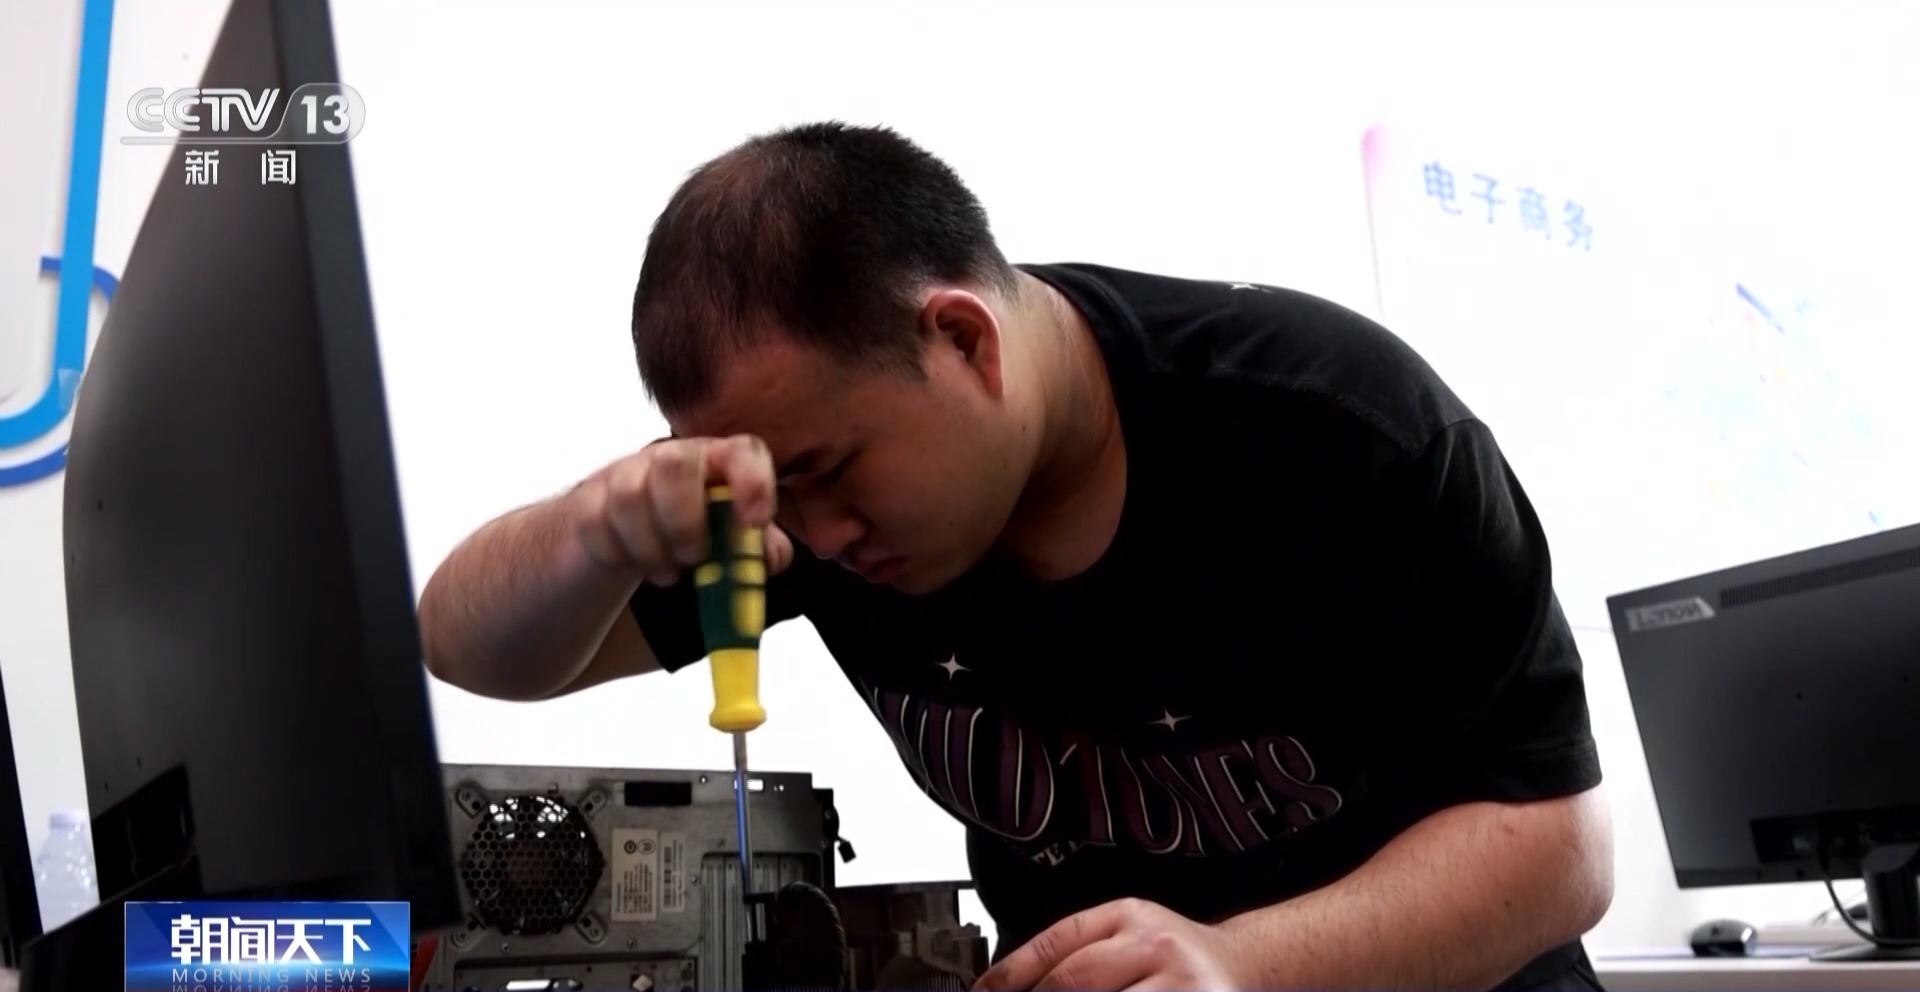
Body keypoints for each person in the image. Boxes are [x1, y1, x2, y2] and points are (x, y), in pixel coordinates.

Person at [418, 121, 1614, 991]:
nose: (815, 538)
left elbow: (1561, 849)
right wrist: (593, 531)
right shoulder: (789, 494)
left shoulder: (1341, 431)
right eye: (781, 492)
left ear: (962, 338)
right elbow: (463, 644)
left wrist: (1245, 962)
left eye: (832, 471)